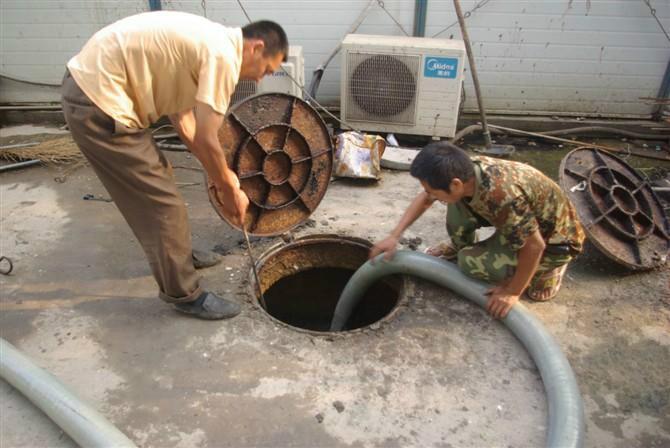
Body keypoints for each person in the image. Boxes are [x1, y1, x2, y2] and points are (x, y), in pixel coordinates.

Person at [61, 11, 288, 320]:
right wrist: (228, 186)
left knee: (161, 179)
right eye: (266, 69)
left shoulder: (209, 42)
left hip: (94, 90)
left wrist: (219, 175)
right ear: (256, 48)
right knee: (163, 204)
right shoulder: (223, 56)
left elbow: (185, 123)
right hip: (99, 103)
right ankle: (184, 294)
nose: (260, 78)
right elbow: (208, 138)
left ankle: (177, 253)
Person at [370, 142, 585, 319]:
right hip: (522, 222)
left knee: (468, 262)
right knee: (455, 206)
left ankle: (549, 269)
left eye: (430, 188)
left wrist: (512, 291)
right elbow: (427, 199)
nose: (428, 194)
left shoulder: (502, 196)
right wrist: (394, 235)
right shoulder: (466, 173)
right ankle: (463, 245)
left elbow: (535, 245)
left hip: (555, 240)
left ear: (455, 184)